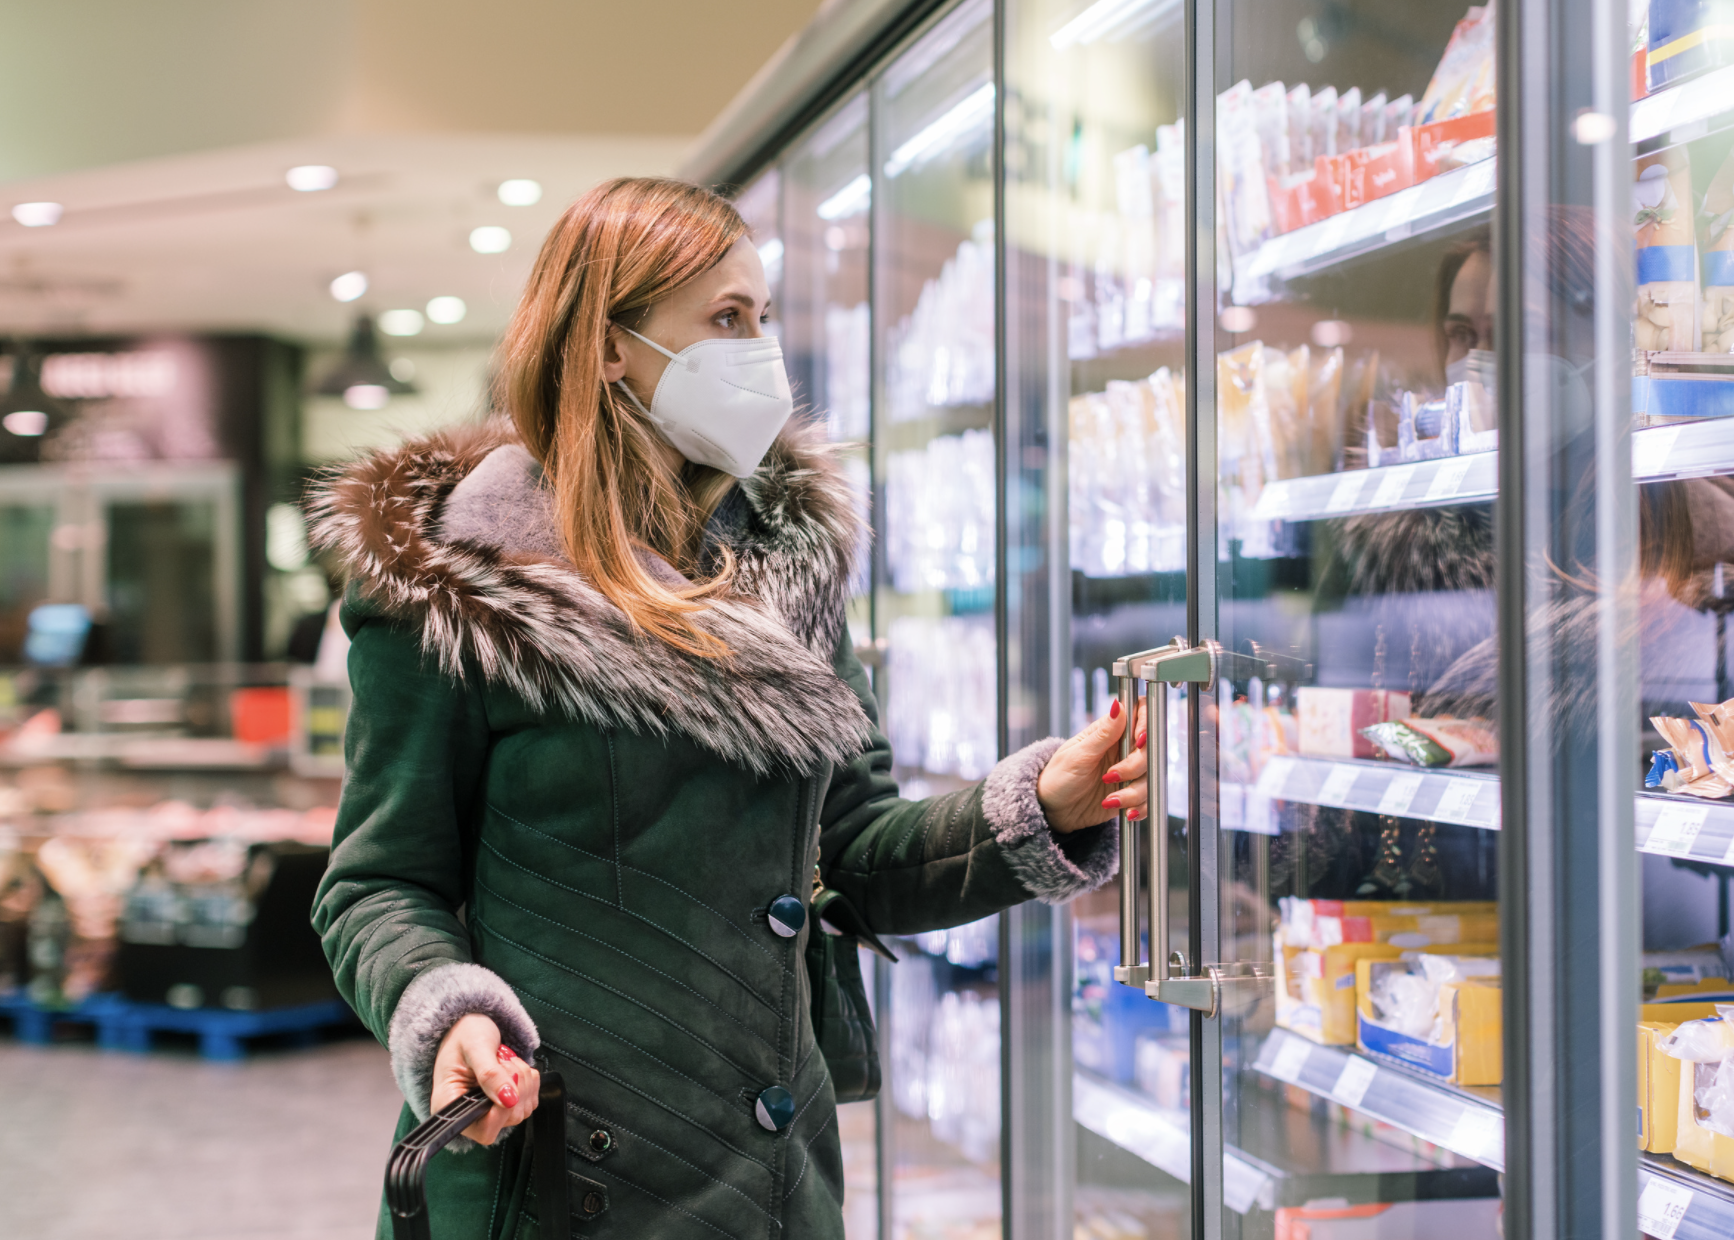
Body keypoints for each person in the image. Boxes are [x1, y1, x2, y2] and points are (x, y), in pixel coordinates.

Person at [309, 176, 1147, 1240]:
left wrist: (1035, 808)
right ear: (608, 343)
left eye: (762, 316)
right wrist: (448, 1011)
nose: (759, 350)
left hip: (774, 1179)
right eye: (724, 319)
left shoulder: (783, 568)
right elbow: (378, 881)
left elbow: (852, 848)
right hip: (558, 1173)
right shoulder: (460, 586)